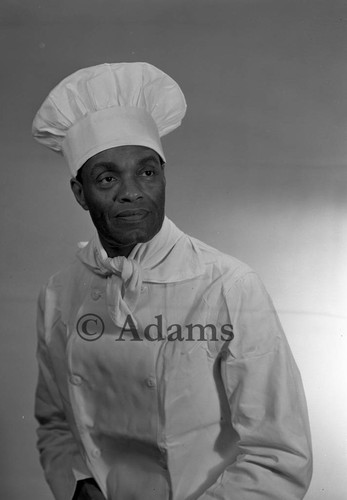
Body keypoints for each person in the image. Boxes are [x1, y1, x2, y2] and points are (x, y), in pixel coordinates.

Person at [32, 62, 312, 500]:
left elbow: (279, 455)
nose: (132, 192)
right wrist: (78, 483)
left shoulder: (228, 286)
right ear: (79, 192)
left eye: (147, 172)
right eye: (107, 178)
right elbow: (54, 422)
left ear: (163, 177)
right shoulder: (60, 291)